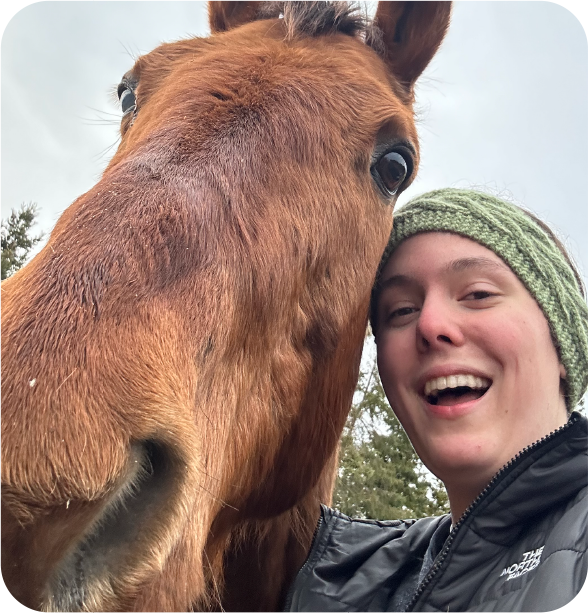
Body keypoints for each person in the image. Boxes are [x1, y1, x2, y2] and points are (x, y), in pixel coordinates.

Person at [283, 188, 588, 613]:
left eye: (478, 294)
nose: (430, 324)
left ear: (562, 345)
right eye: (401, 310)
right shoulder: (327, 571)